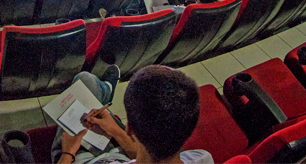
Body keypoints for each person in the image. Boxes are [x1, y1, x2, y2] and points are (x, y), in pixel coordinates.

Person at [51, 65, 212, 164]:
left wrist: (68, 152)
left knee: (84, 80)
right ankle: (105, 89)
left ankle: (106, 89)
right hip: (122, 151)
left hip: (78, 155)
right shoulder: (202, 158)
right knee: (86, 81)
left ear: (130, 128)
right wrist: (115, 130)